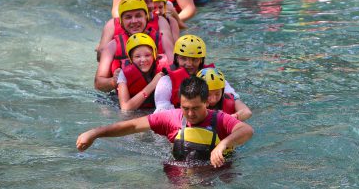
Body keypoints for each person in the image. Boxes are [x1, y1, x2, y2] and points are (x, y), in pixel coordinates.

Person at [77, 76, 254, 168]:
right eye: (186, 108)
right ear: (179, 103)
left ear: (207, 102)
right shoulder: (171, 118)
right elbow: (132, 125)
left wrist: (223, 144)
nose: (190, 114)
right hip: (179, 173)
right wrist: (95, 133)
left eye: (196, 108)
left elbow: (246, 130)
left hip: (215, 172)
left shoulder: (220, 119)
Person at [97, 0, 175, 64]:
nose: (151, 5)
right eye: (145, 1)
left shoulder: (160, 21)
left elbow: (170, 53)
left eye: (151, 0)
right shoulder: (112, 25)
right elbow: (100, 55)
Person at [154, 35, 240, 112]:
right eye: (183, 58)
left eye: (194, 59)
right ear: (176, 58)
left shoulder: (212, 75)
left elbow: (233, 96)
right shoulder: (166, 81)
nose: (189, 64)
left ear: (201, 60)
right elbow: (161, 110)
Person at [95, 0, 153, 92]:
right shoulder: (112, 46)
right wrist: (113, 81)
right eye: (128, 17)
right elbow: (98, 83)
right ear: (121, 21)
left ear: (146, 17)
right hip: (118, 101)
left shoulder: (161, 40)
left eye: (138, 16)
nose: (134, 21)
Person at [116, 33, 166, 111]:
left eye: (147, 55)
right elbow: (125, 108)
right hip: (126, 110)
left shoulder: (164, 70)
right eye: (137, 56)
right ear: (131, 59)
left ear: (154, 55)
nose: (143, 60)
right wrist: (153, 84)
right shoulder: (124, 74)